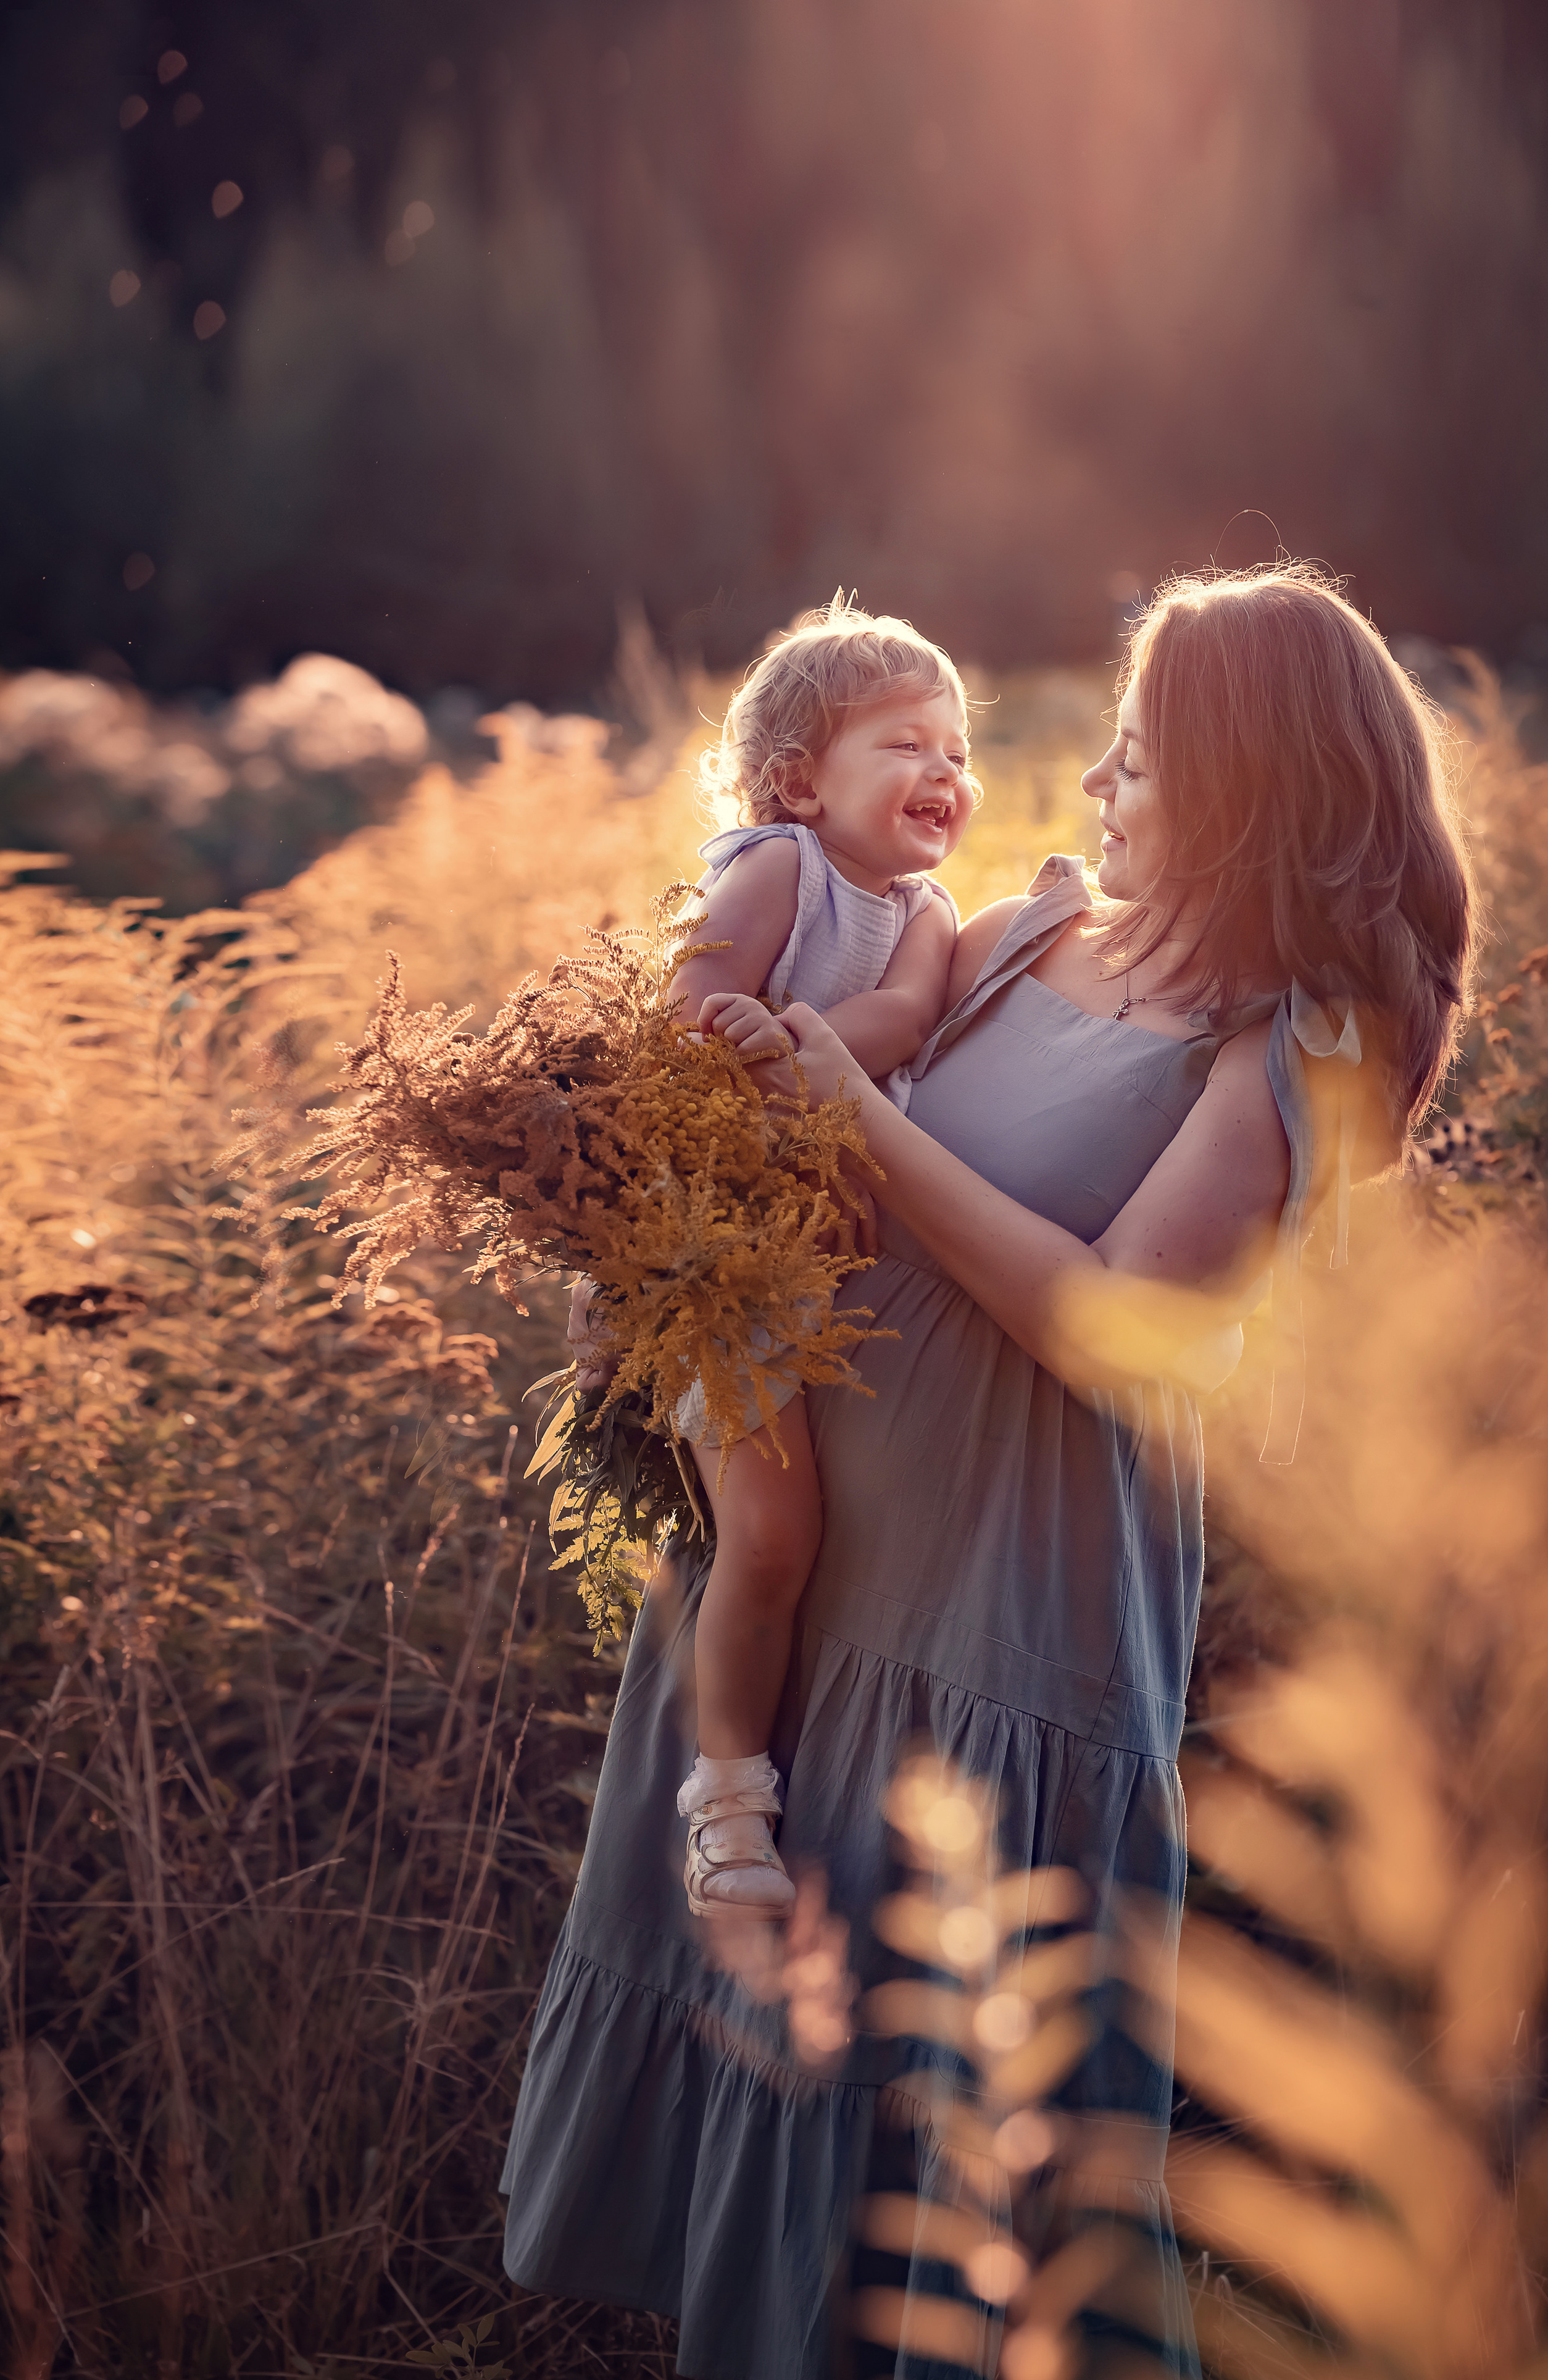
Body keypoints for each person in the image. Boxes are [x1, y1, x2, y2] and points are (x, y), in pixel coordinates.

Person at [501, 564, 1473, 2379]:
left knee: (961, 2210)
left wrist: (847, 1112)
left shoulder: (1280, 1049)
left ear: (1245, 780)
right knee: (782, 2176)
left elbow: (1116, 1323)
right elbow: (815, 1159)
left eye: (1136, 757)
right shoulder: (1032, 937)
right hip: (818, 1595)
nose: (1096, 790)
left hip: (1000, 1648)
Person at [638, 597, 977, 1922]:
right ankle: (726, 1805)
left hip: (840, 1271)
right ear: (797, 779)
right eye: (905, 743)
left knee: (841, 1536)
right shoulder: (781, 868)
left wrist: (809, 1044)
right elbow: (681, 1011)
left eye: (954, 747)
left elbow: (900, 1015)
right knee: (772, 1537)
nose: (943, 772)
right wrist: (745, 1037)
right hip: (729, 1260)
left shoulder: (927, 910)